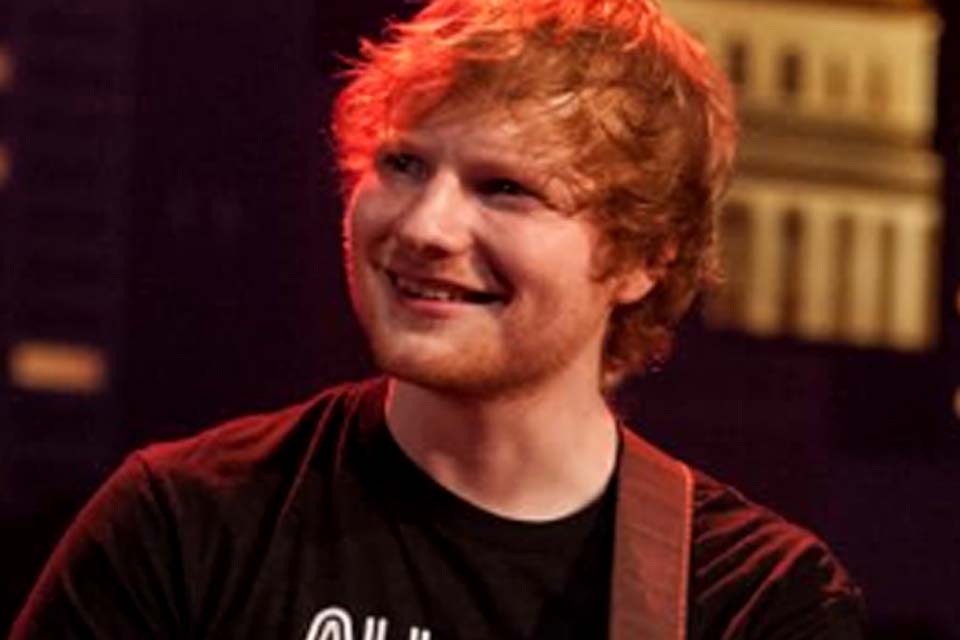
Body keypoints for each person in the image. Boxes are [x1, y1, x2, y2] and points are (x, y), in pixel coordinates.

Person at [11, 0, 865, 638]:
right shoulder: (181, 525)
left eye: (506, 188)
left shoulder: (755, 603)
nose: (425, 227)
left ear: (645, 258)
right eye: (403, 165)